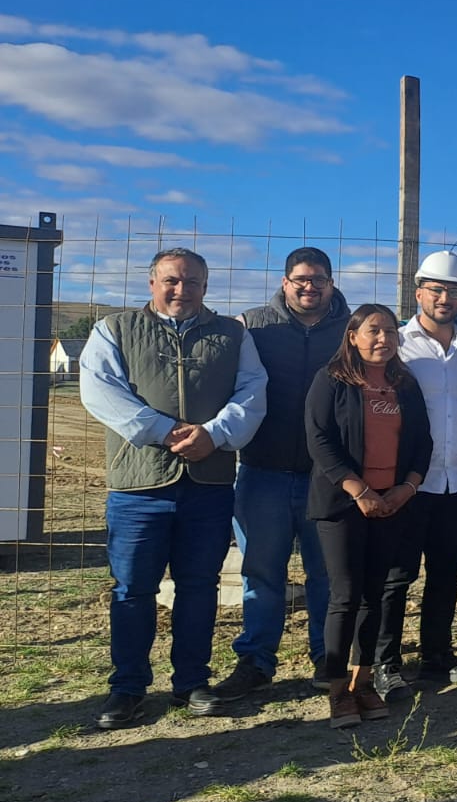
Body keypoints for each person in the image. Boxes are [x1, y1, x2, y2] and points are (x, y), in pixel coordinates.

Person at [80, 248, 268, 729]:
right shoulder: (114, 329)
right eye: (172, 280)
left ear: (206, 286)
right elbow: (101, 390)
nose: (182, 290)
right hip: (139, 485)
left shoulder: (233, 335)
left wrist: (214, 435)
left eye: (193, 282)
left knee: (199, 586)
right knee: (133, 590)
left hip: (209, 482)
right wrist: (164, 431)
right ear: (152, 283)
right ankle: (127, 688)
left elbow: (252, 391)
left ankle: (191, 682)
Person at [216, 246, 349, 701]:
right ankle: (256, 661)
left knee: (326, 573)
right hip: (262, 470)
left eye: (318, 280)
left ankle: (328, 657)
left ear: (331, 283)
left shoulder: (351, 330)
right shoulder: (252, 326)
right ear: (285, 282)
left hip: (326, 476)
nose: (309, 287)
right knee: (261, 572)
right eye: (301, 279)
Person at [305, 304, 432, 729]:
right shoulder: (332, 380)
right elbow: (319, 440)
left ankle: (363, 683)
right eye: (373, 331)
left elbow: (423, 442)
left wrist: (406, 488)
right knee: (345, 595)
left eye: (391, 332)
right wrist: (358, 490)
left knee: (374, 595)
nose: (383, 339)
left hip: (391, 504)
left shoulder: (405, 384)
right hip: (344, 504)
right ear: (353, 336)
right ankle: (338, 689)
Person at [379, 251, 457, 695]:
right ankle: (386, 663)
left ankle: (437, 658)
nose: (444, 298)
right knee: (397, 575)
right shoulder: (397, 345)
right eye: (436, 289)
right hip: (410, 483)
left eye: (454, 291)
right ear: (417, 291)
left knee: (446, 573)